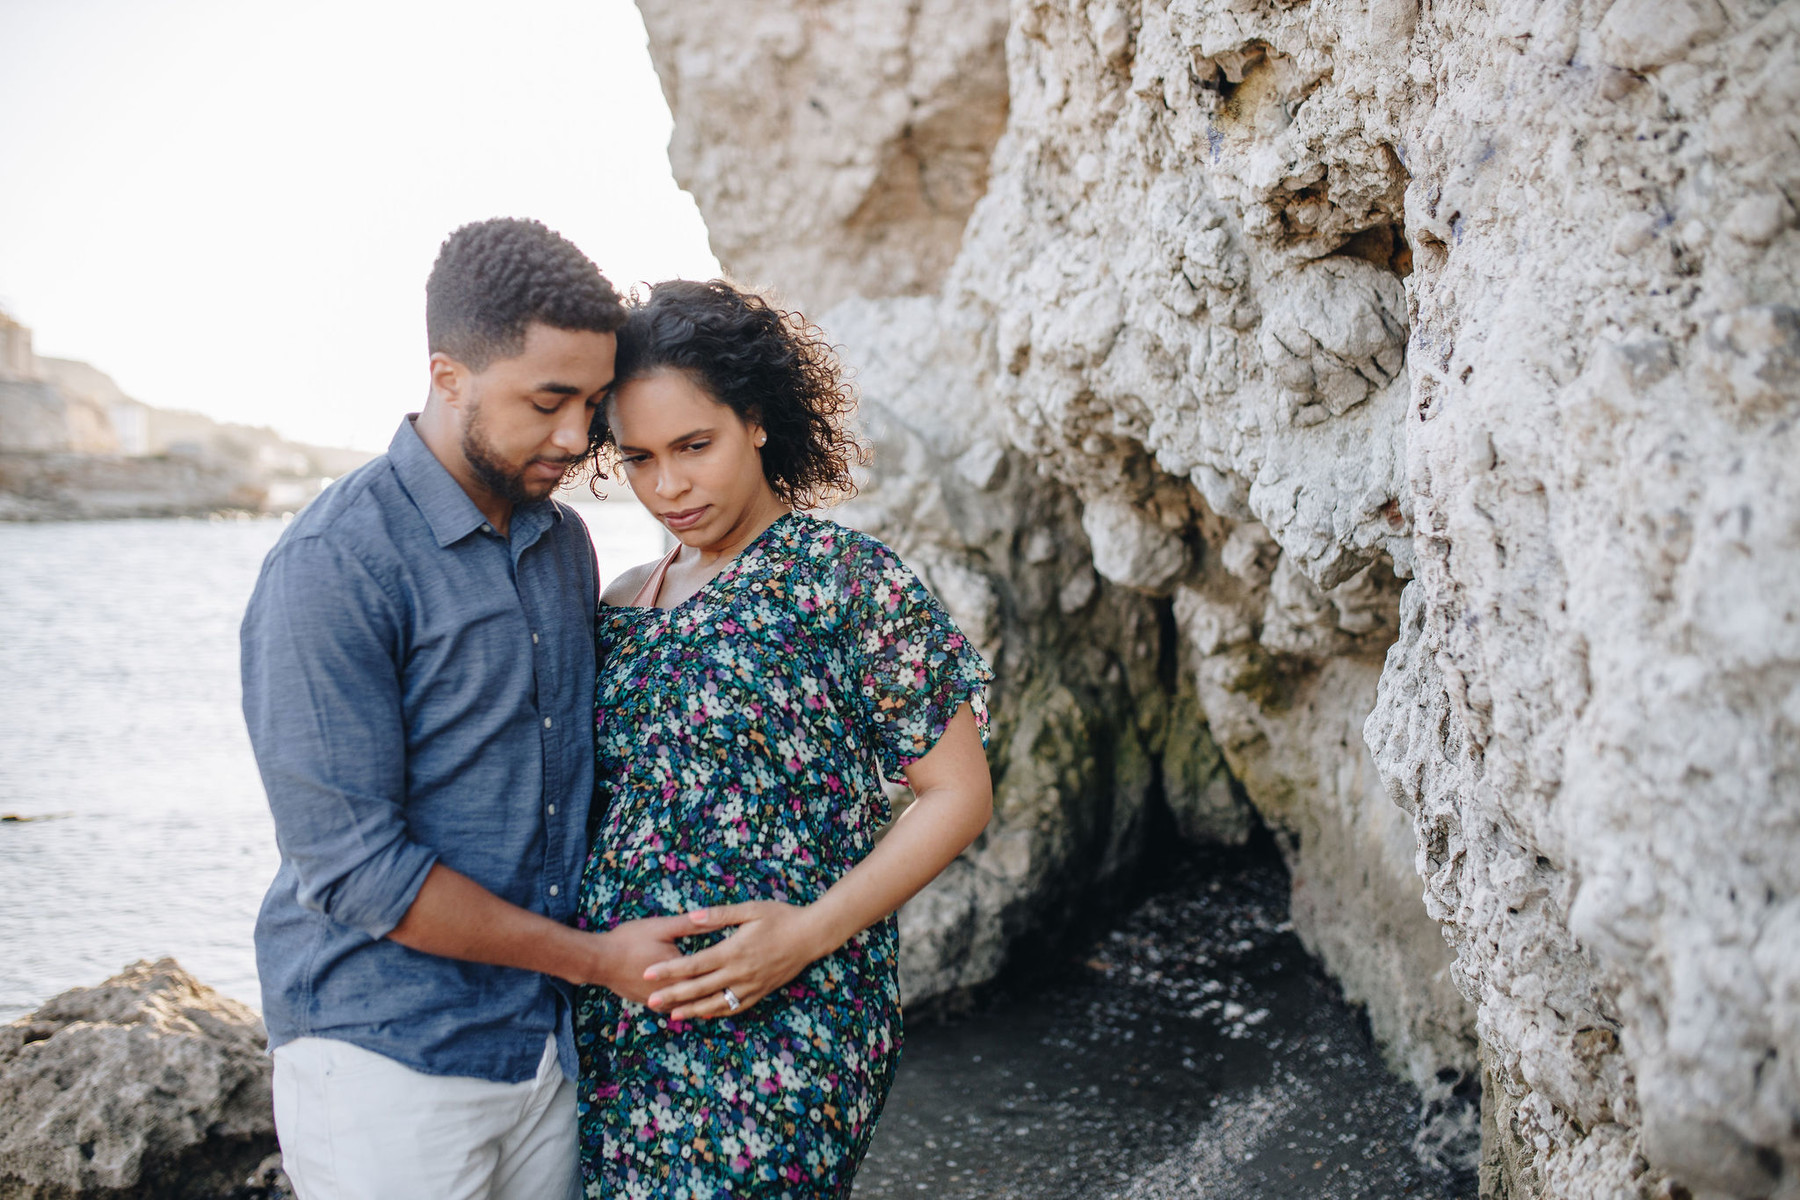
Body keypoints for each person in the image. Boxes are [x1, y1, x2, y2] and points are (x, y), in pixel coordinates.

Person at [241, 218, 703, 1200]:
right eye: (547, 402)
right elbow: (358, 869)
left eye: (591, 404)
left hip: (545, 1054)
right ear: (448, 376)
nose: (578, 439)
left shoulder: (564, 543)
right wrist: (595, 961)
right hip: (384, 1064)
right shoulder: (334, 565)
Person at [572, 278, 996, 1198]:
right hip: (619, 1021)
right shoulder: (615, 604)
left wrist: (802, 938)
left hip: (788, 1012)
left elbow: (959, 793)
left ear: (757, 421)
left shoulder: (845, 578)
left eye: (695, 445)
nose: (669, 486)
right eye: (638, 458)